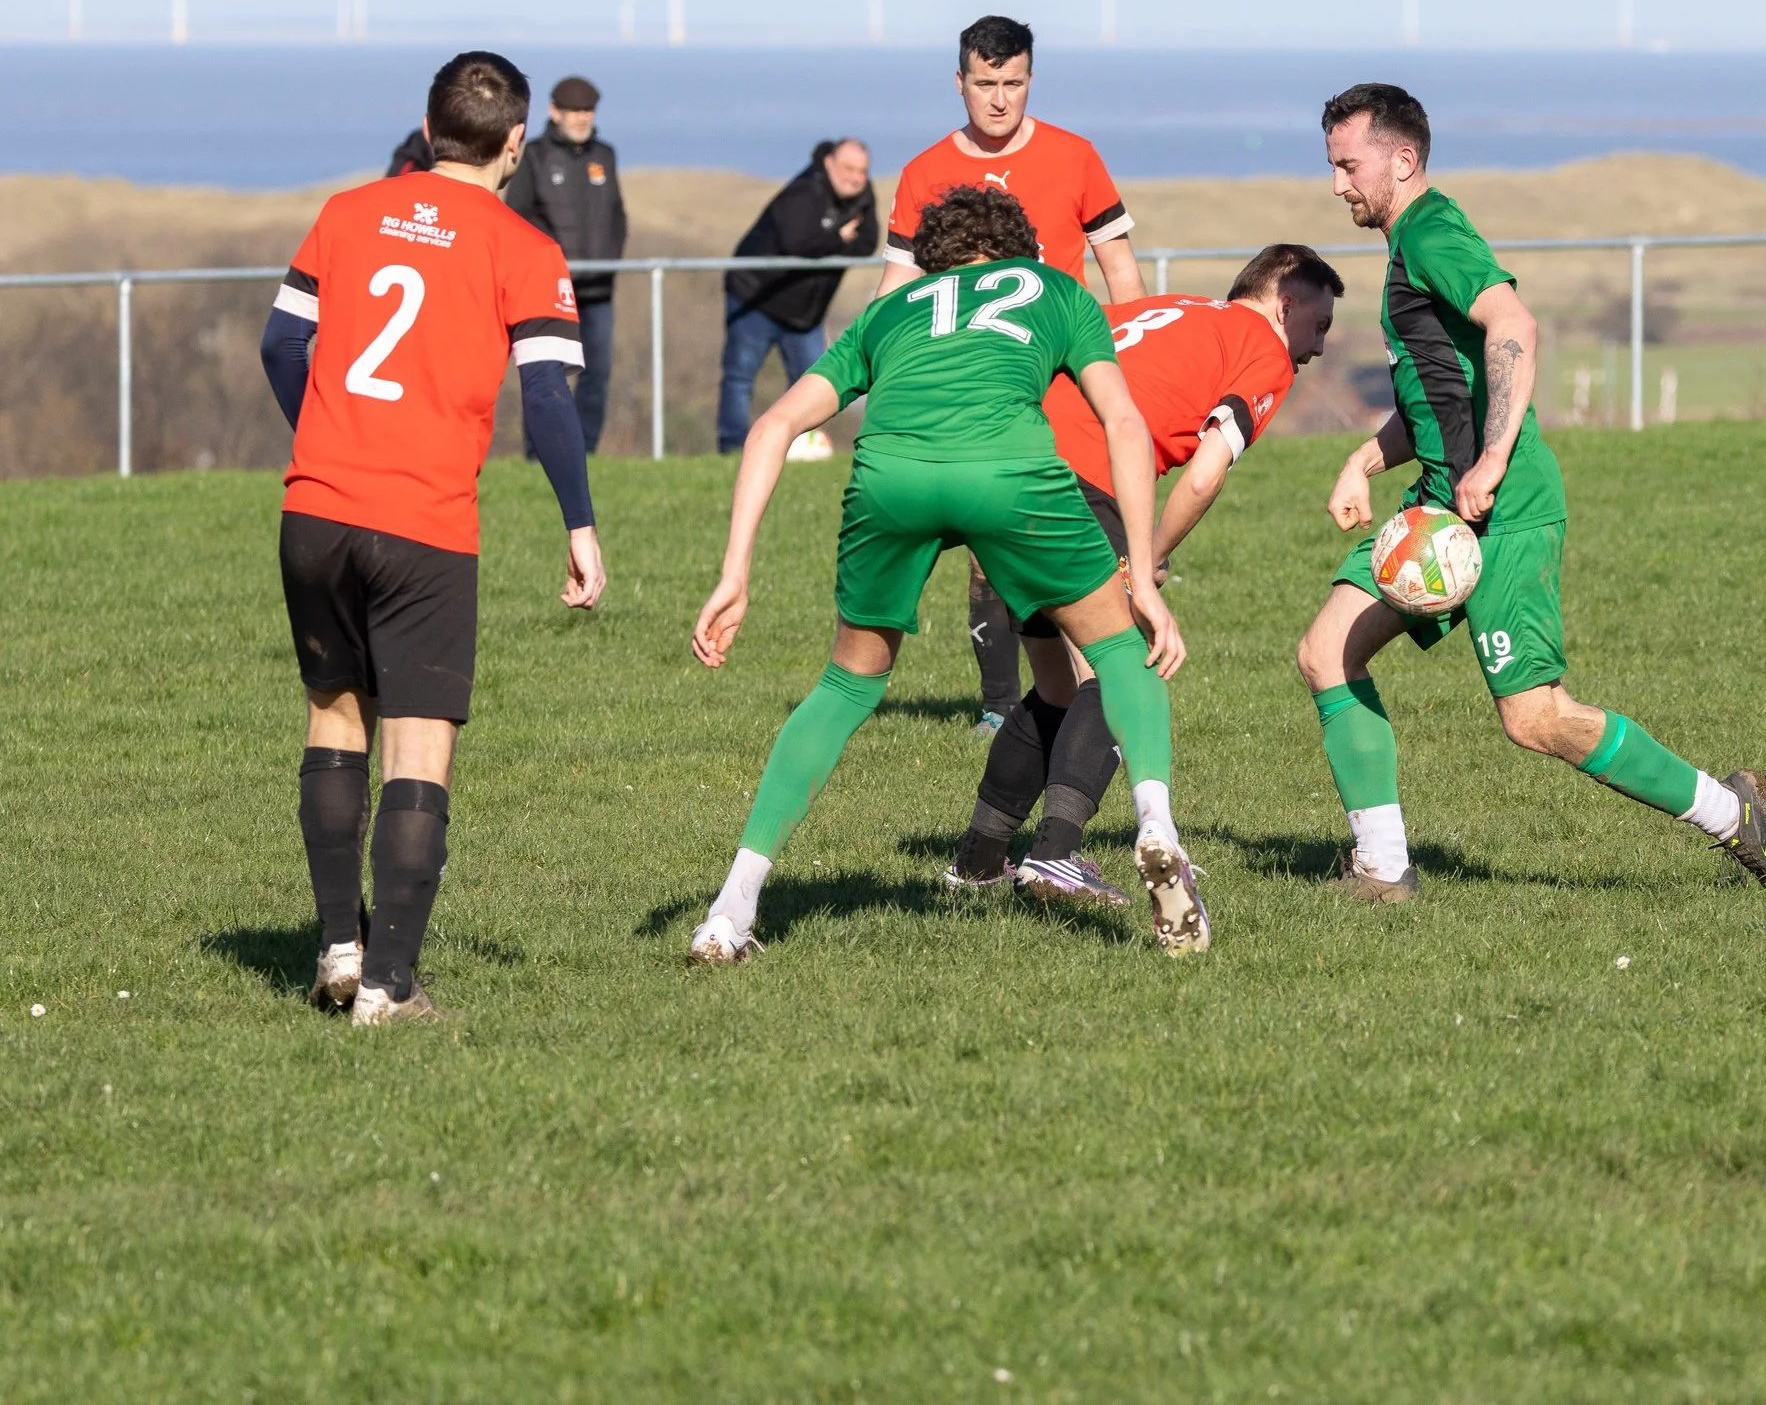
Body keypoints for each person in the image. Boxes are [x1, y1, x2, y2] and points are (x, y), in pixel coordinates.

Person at [1294, 84, 1766, 903]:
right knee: (1326, 652)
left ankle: (1730, 815)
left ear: (1404, 158)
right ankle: (1383, 870)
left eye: (1349, 165)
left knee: (1536, 719)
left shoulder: (1432, 231)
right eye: (1333, 167)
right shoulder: (1405, 246)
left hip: (1504, 510)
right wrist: (1363, 458)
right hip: (1437, 508)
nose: (1339, 185)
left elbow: (1515, 328)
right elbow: (1439, 393)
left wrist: (1491, 462)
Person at [684, 186, 1211, 959]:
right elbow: (1124, 422)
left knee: (846, 686)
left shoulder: (890, 310)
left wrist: (735, 573)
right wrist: (1137, 570)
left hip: (891, 477)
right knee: (1118, 652)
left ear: (932, 261)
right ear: (1023, 249)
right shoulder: (1059, 290)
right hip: (1010, 473)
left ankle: (731, 910)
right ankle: (1159, 829)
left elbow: (773, 425)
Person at [257, 51, 605, 1025]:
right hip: (423, 524)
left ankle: (336, 945)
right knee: (417, 741)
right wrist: (579, 523)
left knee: (334, 717)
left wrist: (324, 428)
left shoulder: (346, 212)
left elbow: (282, 344)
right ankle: (388, 986)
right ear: (514, 143)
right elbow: (544, 398)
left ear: (424, 126)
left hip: (317, 507)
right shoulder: (523, 245)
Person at [951, 244, 1343, 908]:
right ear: (1286, 302)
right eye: (1321, 324)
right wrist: (1147, 560)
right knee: (1121, 671)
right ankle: (1055, 856)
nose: (1320, 347)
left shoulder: (1164, 308)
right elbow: (1205, 471)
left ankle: (978, 860)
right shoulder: (1264, 350)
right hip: (1079, 477)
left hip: (1004, 466)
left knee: (1054, 685)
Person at [879, 15, 1148, 735]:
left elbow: (1119, 267)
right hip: (970, 389)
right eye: (985, 84)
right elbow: (895, 288)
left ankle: (1097, 686)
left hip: (1062, 382)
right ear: (959, 82)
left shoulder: (1075, 157)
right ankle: (1001, 705)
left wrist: (1132, 359)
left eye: (1014, 84)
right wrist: (880, 374)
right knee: (987, 541)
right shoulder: (925, 172)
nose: (1000, 100)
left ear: (1031, 80)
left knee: (1083, 537)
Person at [719, 137, 879, 455]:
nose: (856, 178)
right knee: (740, 378)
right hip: (757, 299)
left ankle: (800, 448)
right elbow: (797, 244)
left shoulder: (862, 195)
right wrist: (839, 237)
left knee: (813, 385)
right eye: (848, 168)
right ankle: (732, 447)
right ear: (829, 163)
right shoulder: (803, 192)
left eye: (862, 171)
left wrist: (832, 241)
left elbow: (867, 244)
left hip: (806, 314)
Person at [503, 75, 628, 450]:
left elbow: (617, 216)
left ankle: (585, 450)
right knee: (546, 376)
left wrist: (611, 260)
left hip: (599, 290)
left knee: (598, 374)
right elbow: (516, 219)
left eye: (587, 110)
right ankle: (539, 451)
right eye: (573, 110)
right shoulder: (535, 156)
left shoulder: (604, 156)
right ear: (553, 111)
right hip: (550, 294)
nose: (581, 118)